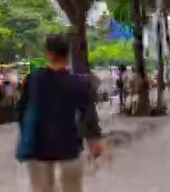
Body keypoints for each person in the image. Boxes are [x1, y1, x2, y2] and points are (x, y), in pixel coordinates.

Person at [16, 34, 104, 192]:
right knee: (72, 186)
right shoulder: (79, 83)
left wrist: (25, 134)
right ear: (67, 54)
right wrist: (94, 141)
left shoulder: (33, 79)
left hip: (39, 147)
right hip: (69, 146)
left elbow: (21, 109)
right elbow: (89, 114)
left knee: (41, 188)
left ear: (48, 53)